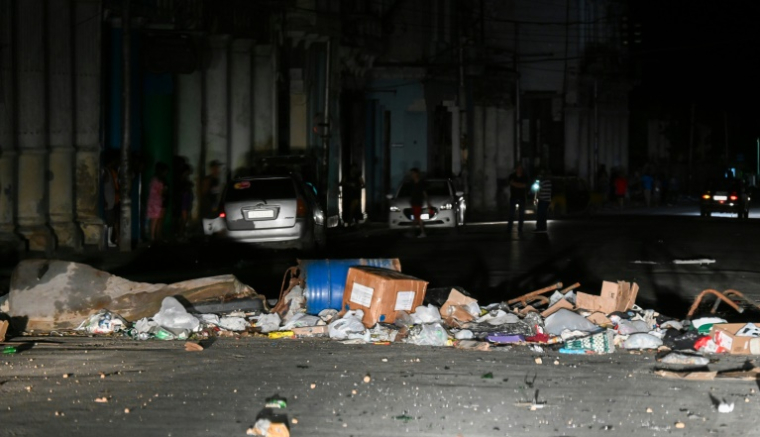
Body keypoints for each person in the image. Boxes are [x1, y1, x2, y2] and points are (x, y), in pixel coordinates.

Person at [101, 151, 120, 248]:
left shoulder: (109, 171)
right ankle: (107, 240)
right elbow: (102, 187)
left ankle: (109, 240)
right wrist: (104, 200)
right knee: (108, 221)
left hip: (111, 199)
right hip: (108, 199)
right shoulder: (106, 171)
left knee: (111, 221)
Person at [147, 162, 169, 243]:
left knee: (154, 220)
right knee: (156, 220)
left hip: (153, 202)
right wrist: (164, 190)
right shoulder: (159, 181)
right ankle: (154, 236)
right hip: (157, 202)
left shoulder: (153, 179)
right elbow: (160, 192)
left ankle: (153, 236)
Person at [408, 168, 432, 238]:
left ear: (416, 174)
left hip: (418, 202)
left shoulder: (421, 183)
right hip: (413, 202)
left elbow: (424, 193)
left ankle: (420, 232)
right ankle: (413, 232)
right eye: (411, 174)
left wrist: (428, 202)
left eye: (413, 173)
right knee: (416, 218)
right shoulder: (412, 183)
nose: (412, 175)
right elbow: (411, 193)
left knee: (417, 218)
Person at [506, 164, 528, 233]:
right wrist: (519, 185)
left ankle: (520, 228)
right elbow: (511, 183)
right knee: (511, 214)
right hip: (513, 197)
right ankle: (509, 228)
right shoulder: (512, 176)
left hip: (522, 197)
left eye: (520, 168)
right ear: (516, 169)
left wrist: (515, 184)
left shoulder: (525, 176)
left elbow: (524, 185)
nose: (519, 170)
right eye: (518, 168)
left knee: (521, 214)